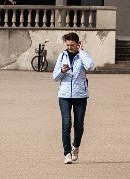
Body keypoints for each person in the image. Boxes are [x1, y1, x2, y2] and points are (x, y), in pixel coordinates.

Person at [51, 32, 95, 164]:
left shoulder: (82, 56)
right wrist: (62, 71)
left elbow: (91, 66)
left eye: (72, 45)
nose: (69, 47)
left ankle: (76, 146)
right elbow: (54, 77)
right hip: (64, 95)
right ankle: (67, 153)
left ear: (78, 44)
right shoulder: (62, 56)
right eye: (68, 45)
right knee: (66, 124)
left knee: (79, 125)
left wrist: (81, 52)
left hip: (80, 95)